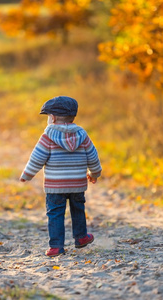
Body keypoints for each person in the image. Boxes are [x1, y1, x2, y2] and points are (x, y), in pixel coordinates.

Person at [20, 96, 102, 257]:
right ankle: (81, 237)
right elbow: (93, 156)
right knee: (78, 209)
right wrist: (94, 174)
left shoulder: (48, 136)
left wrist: (27, 175)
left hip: (55, 186)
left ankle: (56, 246)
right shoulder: (82, 135)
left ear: (53, 118)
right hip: (77, 184)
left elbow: (37, 158)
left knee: (55, 213)